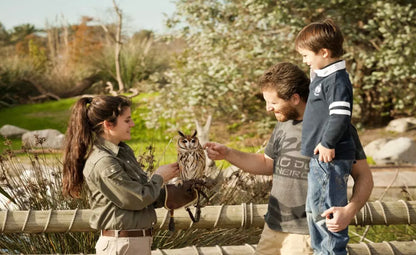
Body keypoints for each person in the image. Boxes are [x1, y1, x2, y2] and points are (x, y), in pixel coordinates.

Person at [204, 62, 373, 255]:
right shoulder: (283, 125)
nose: (268, 109)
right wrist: (228, 153)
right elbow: (268, 164)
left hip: (309, 233)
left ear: (294, 98)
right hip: (273, 227)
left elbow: (364, 176)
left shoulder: (337, 130)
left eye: (273, 103)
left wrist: (350, 210)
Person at [62, 95, 187, 255]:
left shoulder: (123, 152)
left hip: (131, 244)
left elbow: (139, 196)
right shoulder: (104, 162)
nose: (132, 124)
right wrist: (159, 176)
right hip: (121, 245)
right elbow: (135, 199)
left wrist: (175, 192)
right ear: (108, 124)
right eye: (127, 120)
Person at [295, 18, 356, 254]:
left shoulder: (337, 80)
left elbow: (341, 116)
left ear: (324, 52)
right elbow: (314, 71)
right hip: (319, 158)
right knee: (315, 208)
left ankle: (331, 251)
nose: (304, 61)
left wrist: (328, 143)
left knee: (326, 211)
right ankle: (322, 250)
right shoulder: (322, 75)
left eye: (306, 55)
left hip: (328, 158)